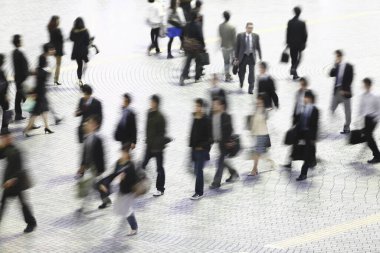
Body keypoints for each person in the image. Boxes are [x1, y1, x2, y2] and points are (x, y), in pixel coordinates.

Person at [0, 131, 37, 233]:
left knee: (23, 204)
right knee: (3, 204)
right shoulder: (6, 148)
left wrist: (12, 180)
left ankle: (32, 223)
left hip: (17, 183)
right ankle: (31, 222)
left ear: (10, 138)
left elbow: (20, 169)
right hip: (8, 183)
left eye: (5, 137)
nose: (3, 139)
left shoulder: (17, 150)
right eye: (2, 138)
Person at [76, 115, 106, 214]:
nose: (87, 125)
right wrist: (82, 166)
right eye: (87, 123)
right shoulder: (86, 138)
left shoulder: (98, 139)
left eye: (90, 124)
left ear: (95, 126)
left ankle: (84, 205)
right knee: (96, 185)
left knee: (88, 186)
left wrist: (100, 170)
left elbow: (101, 156)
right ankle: (106, 200)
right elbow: (84, 154)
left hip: (95, 167)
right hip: (89, 166)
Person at [23, 47, 55, 137]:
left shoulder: (37, 70)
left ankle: (47, 127)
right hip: (40, 95)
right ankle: (26, 130)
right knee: (35, 113)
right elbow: (48, 76)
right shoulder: (44, 72)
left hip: (39, 93)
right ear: (44, 62)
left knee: (44, 110)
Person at [209, 97, 239, 189]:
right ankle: (234, 173)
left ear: (222, 106)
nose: (214, 106)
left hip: (226, 144)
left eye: (216, 104)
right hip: (218, 143)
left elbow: (230, 130)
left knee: (220, 162)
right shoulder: (212, 116)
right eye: (213, 104)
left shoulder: (226, 116)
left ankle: (216, 182)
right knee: (223, 161)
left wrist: (227, 141)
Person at [142, 95, 167, 197]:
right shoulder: (149, 113)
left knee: (159, 168)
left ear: (156, 103)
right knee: (142, 165)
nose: (150, 103)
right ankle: (140, 185)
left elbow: (162, 133)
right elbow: (147, 128)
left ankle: (160, 189)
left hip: (158, 148)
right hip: (149, 146)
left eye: (152, 102)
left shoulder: (161, 117)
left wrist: (157, 143)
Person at [113, 143, 140, 236]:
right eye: (121, 153)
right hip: (122, 189)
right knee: (124, 209)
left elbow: (134, 179)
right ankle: (134, 227)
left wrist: (124, 177)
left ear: (127, 154)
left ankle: (134, 227)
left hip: (128, 191)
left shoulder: (131, 165)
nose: (121, 155)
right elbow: (115, 173)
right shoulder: (120, 163)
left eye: (123, 153)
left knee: (127, 210)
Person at [283, 77, 310, 169]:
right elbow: (296, 106)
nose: (301, 86)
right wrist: (293, 119)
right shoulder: (298, 93)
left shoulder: (309, 94)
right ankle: (289, 161)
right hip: (297, 119)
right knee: (294, 141)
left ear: (306, 85)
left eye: (303, 84)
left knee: (306, 143)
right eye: (300, 84)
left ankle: (310, 160)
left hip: (305, 120)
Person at [293, 90, 319, 181]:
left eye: (306, 97)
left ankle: (303, 174)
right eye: (304, 97)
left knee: (307, 154)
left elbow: (315, 125)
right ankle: (313, 161)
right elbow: (299, 121)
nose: (305, 99)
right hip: (302, 134)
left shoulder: (315, 110)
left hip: (310, 136)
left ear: (310, 99)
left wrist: (314, 138)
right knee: (308, 152)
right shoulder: (303, 108)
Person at [189, 98, 211, 200]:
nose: (196, 108)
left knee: (199, 170)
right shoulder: (195, 117)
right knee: (197, 171)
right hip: (194, 149)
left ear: (202, 108)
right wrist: (191, 146)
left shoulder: (206, 120)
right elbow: (192, 133)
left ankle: (199, 192)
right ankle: (199, 190)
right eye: (196, 106)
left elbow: (211, 138)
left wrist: (202, 146)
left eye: (198, 106)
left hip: (202, 150)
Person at [247, 95, 273, 176]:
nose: (258, 103)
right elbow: (253, 122)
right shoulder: (256, 110)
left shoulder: (264, 111)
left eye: (260, 102)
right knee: (259, 153)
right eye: (257, 101)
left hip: (262, 134)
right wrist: (251, 132)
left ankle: (254, 170)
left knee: (257, 153)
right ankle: (270, 162)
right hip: (256, 134)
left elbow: (264, 120)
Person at [329, 50, 354, 134]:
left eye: (338, 56)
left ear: (341, 56)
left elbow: (350, 79)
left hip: (345, 92)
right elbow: (331, 74)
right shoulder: (337, 66)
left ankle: (346, 128)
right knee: (332, 108)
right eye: (336, 56)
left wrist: (345, 90)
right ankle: (335, 122)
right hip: (337, 91)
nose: (337, 58)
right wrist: (334, 65)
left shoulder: (349, 66)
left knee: (348, 111)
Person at [235, 22, 262, 94]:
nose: (250, 29)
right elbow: (237, 47)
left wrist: (260, 57)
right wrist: (236, 58)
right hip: (242, 57)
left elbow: (258, 47)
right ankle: (241, 82)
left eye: (251, 28)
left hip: (251, 56)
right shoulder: (240, 36)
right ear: (246, 28)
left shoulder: (256, 36)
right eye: (249, 28)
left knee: (251, 74)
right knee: (241, 72)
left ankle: (251, 88)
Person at [180, 10, 205, 85]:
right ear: (196, 17)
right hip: (196, 47)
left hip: (188, 46)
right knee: (198, 61)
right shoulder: (198, 25)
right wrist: (203, 45)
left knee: (187, 62)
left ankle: (183, 77)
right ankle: (197, 78)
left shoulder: (187, 25)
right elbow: (201, 36)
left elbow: (182, 34)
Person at [358, 78, 380, 164]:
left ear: (369, 85)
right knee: (367, 136)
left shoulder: (375, 95)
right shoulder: (363, 95)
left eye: (365, 84)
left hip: (373, 119)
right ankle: (377, 154)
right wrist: (359, 118)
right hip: (366, 118)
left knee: (368, 136)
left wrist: (376, 119)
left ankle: (377, 156)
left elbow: (379, 109)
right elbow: (361, 107)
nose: (363, 86)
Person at [286, 6, 308, 80]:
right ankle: (294, 68)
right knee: (300, 57)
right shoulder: (302, 23)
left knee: (293, 58)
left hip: (292, 44)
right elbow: (305, 34)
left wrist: (288, 43)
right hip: (299, 44)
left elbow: (288, 33)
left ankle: (294, 73)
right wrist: (304, 42)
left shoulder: (290, 22)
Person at [11, 34, 28, 120]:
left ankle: (18, 114)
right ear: (18, 43)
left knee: (18, 97)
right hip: (22, 79)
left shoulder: (14, 52)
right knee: (27, 98)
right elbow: (24, 67)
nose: (22, 41)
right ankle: (32, 117)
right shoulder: (20, 52)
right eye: (21, 40)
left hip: (17, 78)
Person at [70, 17, 90, 86]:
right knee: (86, 63)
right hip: (83, 51)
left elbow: (71, 39)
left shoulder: (73, 30)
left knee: (79, 65)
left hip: (76, 51)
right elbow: (87, 42)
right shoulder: (85, 31)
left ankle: (79, 79)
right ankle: (82, 77)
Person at [219, 11, 236, 82]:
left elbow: (220, 36)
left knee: (226, 61)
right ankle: (227, 74)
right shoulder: (232, 27)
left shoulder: (220, 26)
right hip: (231, 47)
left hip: (223, 46)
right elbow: (234, 39)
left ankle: (227, 74)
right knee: (232, 61)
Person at [47, 15, 64, 86]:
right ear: (56, 21)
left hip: (52, 48)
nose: (59, 21)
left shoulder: (50, 28)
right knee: (58, 65)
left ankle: (49, 76)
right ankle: (56, 79)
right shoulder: (57, 30)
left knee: (55, 64)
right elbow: (61, 39)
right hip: (58, 49)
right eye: (58, 20)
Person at [0, 54, 11, 134]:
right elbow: (4, 84)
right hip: (2, 95)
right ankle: (4, 129)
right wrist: (6, 94)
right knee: (6, 109)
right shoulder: (1, 71)